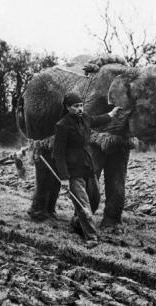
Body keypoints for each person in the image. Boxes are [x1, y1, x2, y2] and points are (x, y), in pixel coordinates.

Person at [53, 92, 121, 241]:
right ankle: (91, 237)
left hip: (88, 167)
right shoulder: (62, 126)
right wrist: (64, 178)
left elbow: (97, 120)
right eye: (76, 106)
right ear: (67, 107)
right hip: (73, 172)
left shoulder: (85, 118)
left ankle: (76, 223)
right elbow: (58, 154)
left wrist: (111, 114)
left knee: (95, 199)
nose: (80, 109)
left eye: (81, 106)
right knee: (83, 205)